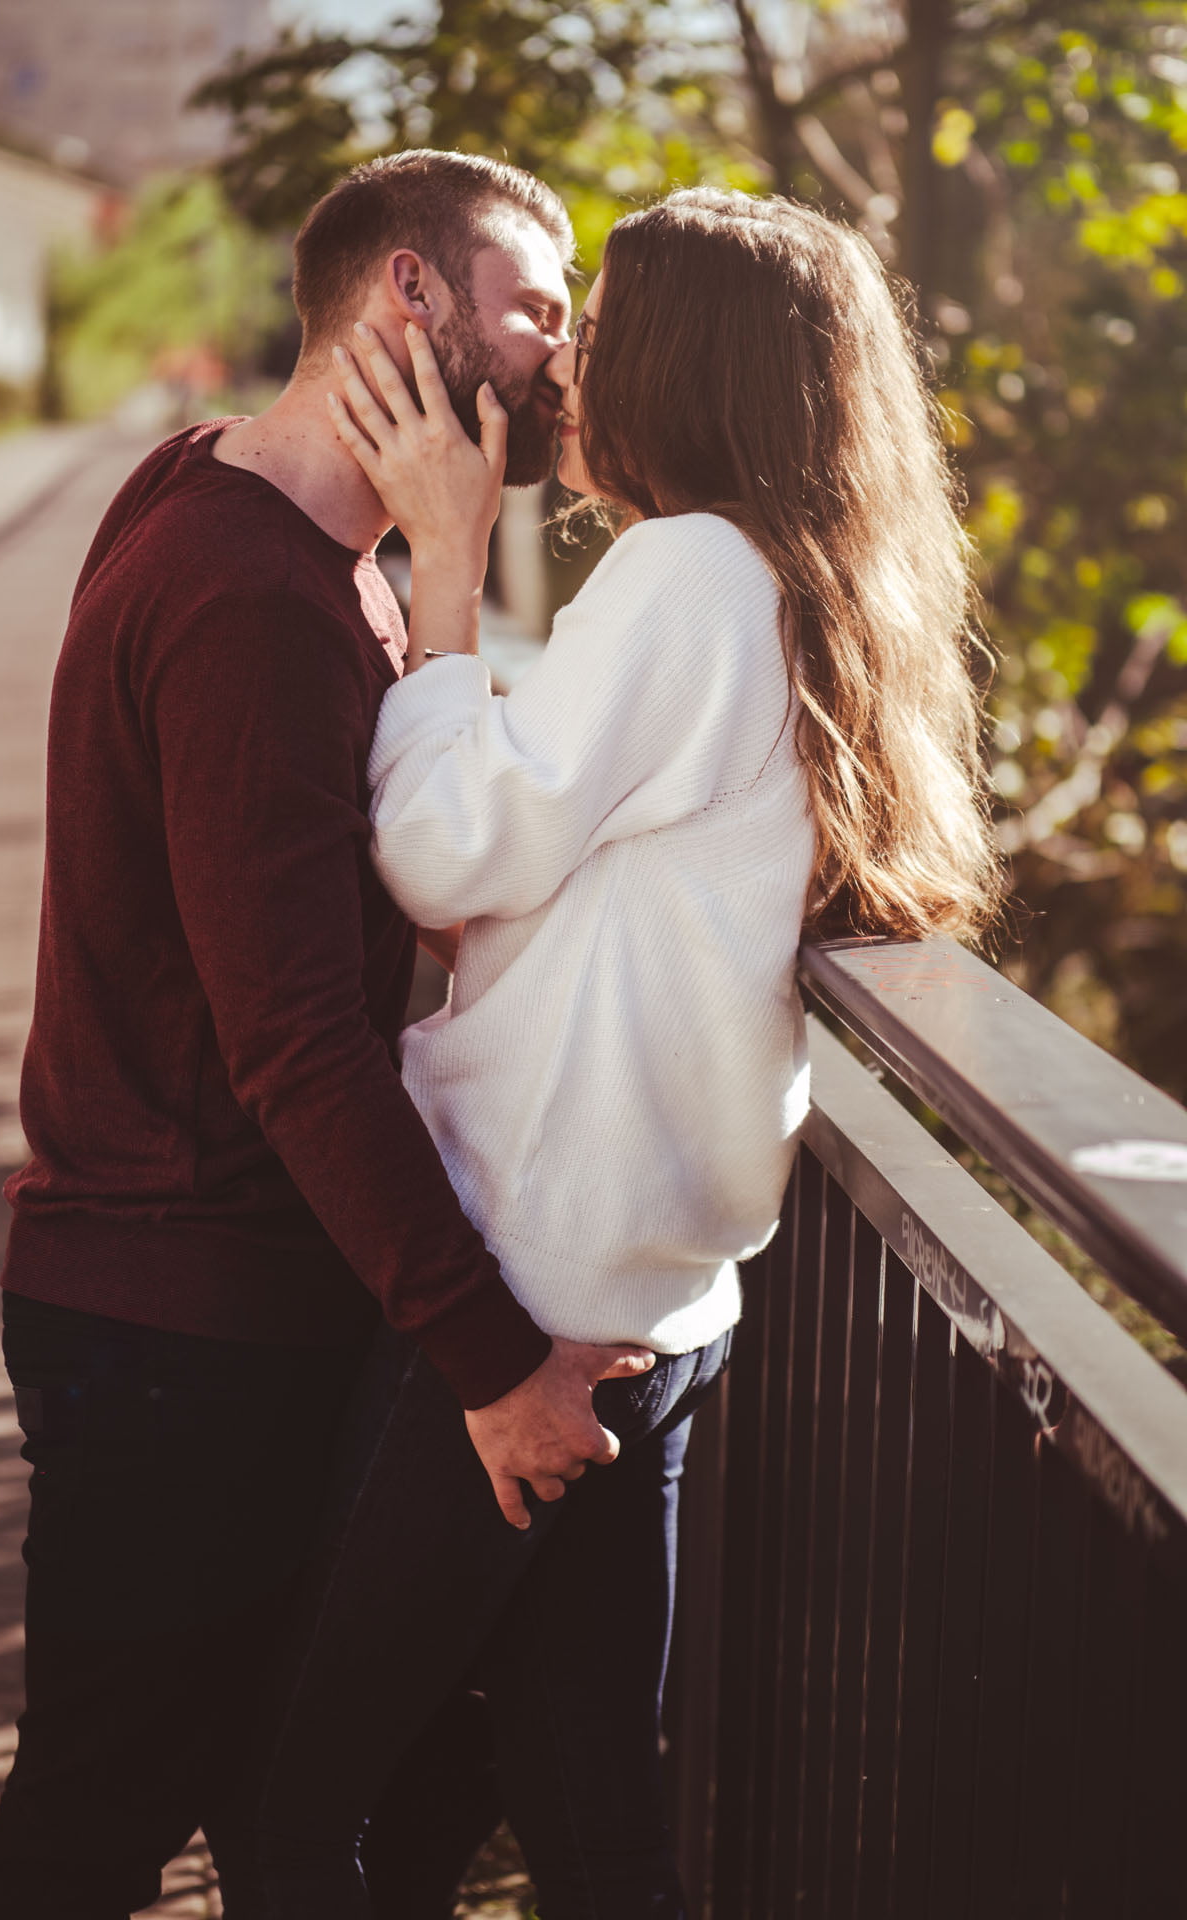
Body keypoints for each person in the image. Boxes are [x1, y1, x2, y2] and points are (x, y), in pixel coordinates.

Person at [255, 188, 1003, 1917]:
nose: (566, 358)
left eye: (604, 321)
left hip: (530, 1289)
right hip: (662, 1303)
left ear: (685, 360)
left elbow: (451, 847)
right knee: (586, 1815)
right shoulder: (806, 586)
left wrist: (440, 572)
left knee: (297, 1803)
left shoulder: (686, 575)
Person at [0, 150, 660, 1920]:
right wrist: (496, 1363)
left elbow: (423, 885)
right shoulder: (256, 600)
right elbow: (297, 1045)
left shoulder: (220, 499)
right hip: (180, 1326)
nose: (565, 347)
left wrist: (446, 563)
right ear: (408, 302)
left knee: (347, 1792)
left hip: (205, 1303)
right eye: (536, 300)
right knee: (97, 1825)